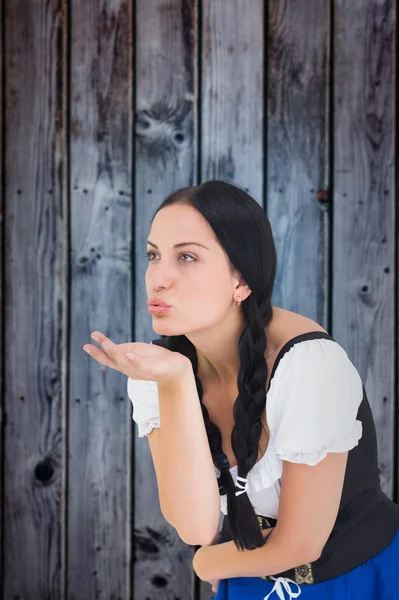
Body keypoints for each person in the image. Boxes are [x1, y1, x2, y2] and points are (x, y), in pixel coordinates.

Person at [83, 180, 399, 599]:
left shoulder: (309, 365)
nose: (158, 278)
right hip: (248, 571)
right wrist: (177, 384)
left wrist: (204, 562)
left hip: (359, 578)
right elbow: (196, 525)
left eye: (188, 257)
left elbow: (302, 544)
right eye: (154, 255)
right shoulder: (163, 369)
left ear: (242, 281)